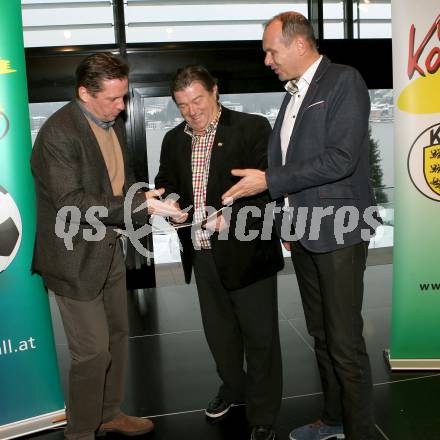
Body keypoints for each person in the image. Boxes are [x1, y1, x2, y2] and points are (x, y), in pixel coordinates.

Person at [222, 12, 379, 440]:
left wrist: (269, 181)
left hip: (340, 232)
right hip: (307, 230)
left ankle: (360, 431)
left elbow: (341, 159)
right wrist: (288, 218)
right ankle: (332, 419)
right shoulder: (293, 94)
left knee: (345, 343)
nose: (268, 61)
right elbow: (292, 160)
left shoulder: (343, 81)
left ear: (299, 45)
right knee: (321, 335)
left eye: (272, 51)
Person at [31, 52, 184, 440]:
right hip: (73, 258)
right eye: (114, 98)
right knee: (93, 352)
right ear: (84, 93)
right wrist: (138, 204)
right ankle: (81, 431)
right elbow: (72, 201)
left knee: (117, 337)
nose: (122, 106)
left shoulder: (110, 124)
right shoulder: (58, 134)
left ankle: (109, 412)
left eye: (124, 96)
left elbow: (120, 181)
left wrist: (147, 197)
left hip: (109, 248)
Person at [155, 65, 284, 440]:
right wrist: (172, 207)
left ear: (215, 91)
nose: (192, 111)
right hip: (201, 251)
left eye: (198, 100)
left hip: (248, 252)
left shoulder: (252, 128)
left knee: (260, 338)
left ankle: (263, 414)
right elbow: (167, 184)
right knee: (220, 335)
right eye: (182, 105)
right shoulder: (172, 140)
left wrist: (231, 220)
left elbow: (268, 188)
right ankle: (233, 387)